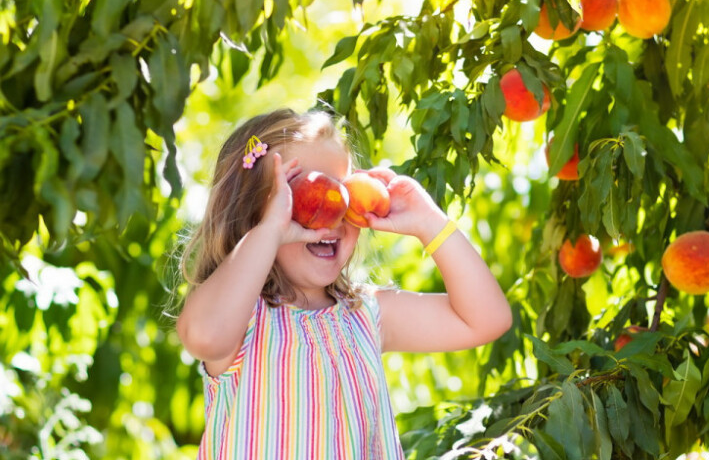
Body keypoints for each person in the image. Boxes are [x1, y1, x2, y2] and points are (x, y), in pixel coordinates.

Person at [175, 108, 513, 459]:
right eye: (303, 195)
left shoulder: (365, 315)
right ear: (254, 215)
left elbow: (487, 319)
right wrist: (272, 231)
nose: (331, 211)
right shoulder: (244, 320)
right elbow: (204, 335)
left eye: (343, 193)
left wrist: (430, 223)